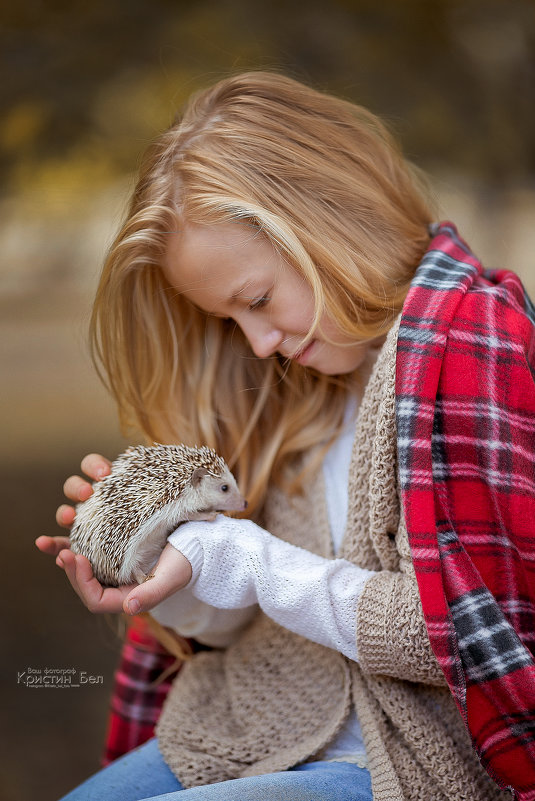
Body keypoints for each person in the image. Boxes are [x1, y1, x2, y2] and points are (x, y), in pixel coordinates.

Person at [35, 71, 535, 801]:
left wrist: (244, 556)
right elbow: (247, 614)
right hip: (247, 723)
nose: (257, 342)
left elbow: (455, 630)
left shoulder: (466, 346)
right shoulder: (291, 388)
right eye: (227, 320)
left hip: (404, 762)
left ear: (330, 222)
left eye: (259, 299)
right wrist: (171, 574)